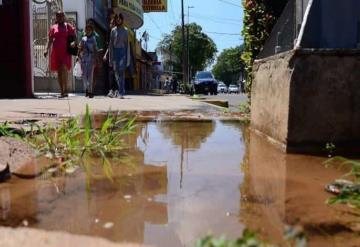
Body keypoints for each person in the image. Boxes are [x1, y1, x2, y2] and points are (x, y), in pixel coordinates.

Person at [44, 11, 76, 98]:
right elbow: (50, 40)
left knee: (64, 69)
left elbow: (73, 37)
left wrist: (73, 43)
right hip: (56, 52)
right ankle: (62, 91)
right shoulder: (53, 27)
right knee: (59, 72)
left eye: (61, 16)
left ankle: (65, 89)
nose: (60, 18)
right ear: (56, 17)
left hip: (65, 51)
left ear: (64, 17)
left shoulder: (68, 26)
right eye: (58, 16)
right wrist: (46, 49)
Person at [109, 13, 130, 99]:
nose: (118, 20)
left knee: (121, 72)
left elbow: (127, 45)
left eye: (119, 19)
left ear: (122, 20)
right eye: (117, 19)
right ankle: (120, 89)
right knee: (116, 72)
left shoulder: (125, 30)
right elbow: (111, 45)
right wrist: (110, 57)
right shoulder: (113, 31)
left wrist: (127, 58)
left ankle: (121, 92)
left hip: (122, 53)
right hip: (114, 53)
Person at [78, 24, 98, 98]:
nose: (88, 31)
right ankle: (86, 89)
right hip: (84, 59)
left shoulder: (93, 39)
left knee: (90, 76)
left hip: (91, 59)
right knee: (84, 76)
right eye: (87, 29)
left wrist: (96, 59)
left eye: (89, 30)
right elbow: (80, 48)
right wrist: (78, 56)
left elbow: (95, 49)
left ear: (92, 31)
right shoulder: (83, 39)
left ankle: (90, 91)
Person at [103, 17, 118, 98]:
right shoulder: (110, 33)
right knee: (111, 73)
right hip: (111, 56)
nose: (110, 25)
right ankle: (112, 90)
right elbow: (109, 46)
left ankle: (115, 90)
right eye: (110, 23)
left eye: (112, 24)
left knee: (114, 74)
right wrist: (106, 54)